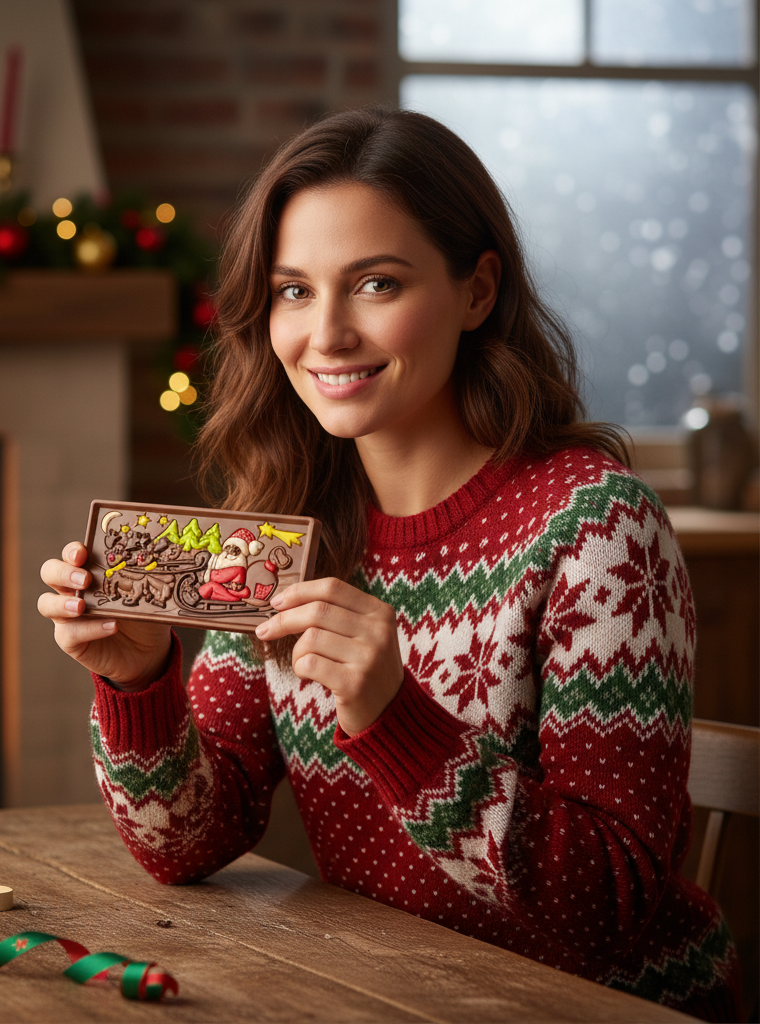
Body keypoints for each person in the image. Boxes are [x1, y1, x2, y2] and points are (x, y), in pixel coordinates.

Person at [39, 107, 740, 1021]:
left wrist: (398, 721)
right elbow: (185, 840)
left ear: (478, 291)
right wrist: (138, 680)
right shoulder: (285, 535)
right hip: (394, 993)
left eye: (375, 284)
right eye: (293, 290)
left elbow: (608, 908)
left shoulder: (599, 529)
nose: (325, 334)